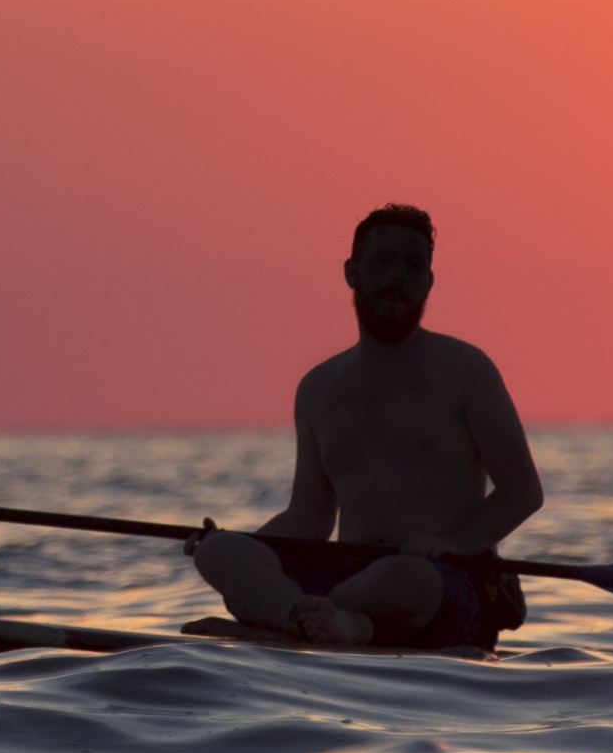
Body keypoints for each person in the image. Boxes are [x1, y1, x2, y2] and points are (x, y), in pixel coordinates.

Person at [191, 204, 546, 649]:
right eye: (383, 263)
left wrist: (451, 543)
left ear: (429, 282)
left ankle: (301, 620)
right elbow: (310, 517)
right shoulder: (318, 388)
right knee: (219, 553)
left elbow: (523, 492)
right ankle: (315, 620)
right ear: (352, 272)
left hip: (436, 581)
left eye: (413, 266)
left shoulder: (467, 371)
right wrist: (243, 546)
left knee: (405, 578)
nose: (398, 277)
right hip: (346, 571)